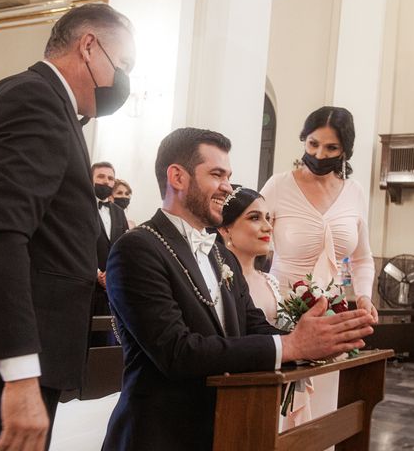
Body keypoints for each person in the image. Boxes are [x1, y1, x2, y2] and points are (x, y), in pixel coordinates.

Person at [0, 3, 135, 451]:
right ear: (88, 47)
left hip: (6, 357)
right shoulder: (34, 100)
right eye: (123, 65)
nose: (124, 80)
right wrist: (19, 375)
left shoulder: (49, 105)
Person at [102, 127, 374, 451]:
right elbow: (177, 352)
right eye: (217, 175)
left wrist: (315, 338)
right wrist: (290, 347)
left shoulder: (219, 254)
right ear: (178, 177)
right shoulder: (138, 248)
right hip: (159, 434)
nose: (227, 188)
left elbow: (251, 323)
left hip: (226, 427)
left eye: (228, 176)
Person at [260, 106, 378, 427]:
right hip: (281, 308)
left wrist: (364, 296)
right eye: (312, 144)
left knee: (323, 408)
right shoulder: (278, 186)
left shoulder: (353, 193)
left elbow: (362, 257)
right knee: (278, 407)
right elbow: (248, 236)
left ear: (345, 151)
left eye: (330, 148)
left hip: (332, 311)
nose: (318, 153)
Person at [216, 186, 279, 322]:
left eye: (268, 218)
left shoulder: (271, 282)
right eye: (255, 218)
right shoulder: (215, 281)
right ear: (225, 229)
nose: (268, 227)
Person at [92, 162, 128, 322]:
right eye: (101, 176)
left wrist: (112, 274)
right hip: (86, 283)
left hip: (112, 287)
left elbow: (123, 247)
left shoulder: (119, 213)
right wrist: (97, 273)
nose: (106, 181)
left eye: (110, 178)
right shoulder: (82, 207)